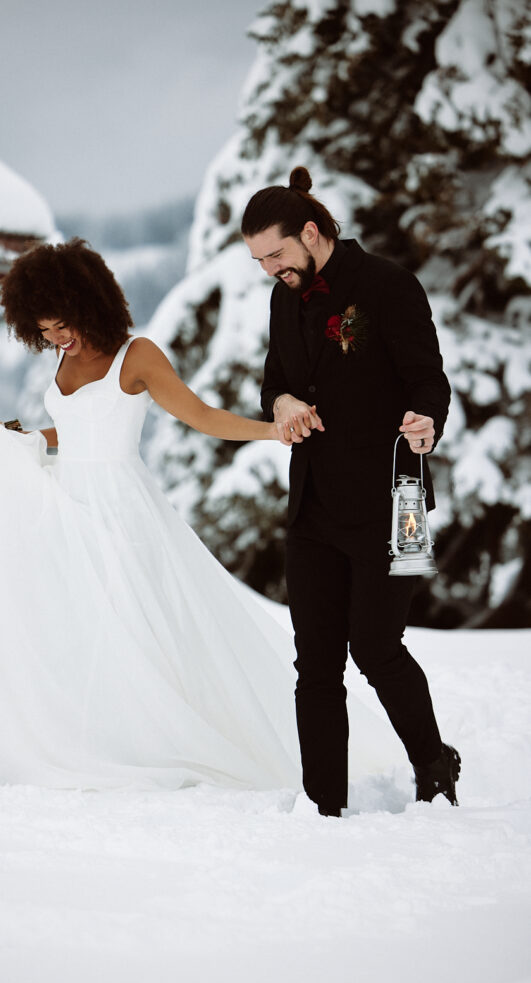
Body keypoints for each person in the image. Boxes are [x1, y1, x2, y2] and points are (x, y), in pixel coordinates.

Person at [0, 237, 389, 792]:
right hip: (66, 505)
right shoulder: (64, 356)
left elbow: (200, 415)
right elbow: (77, 428)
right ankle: (90, 741)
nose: (57, 338)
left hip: (120, 510)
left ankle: (158, 743)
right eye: (45, 330)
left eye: (63, 324)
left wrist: (274, 432)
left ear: (89, 302)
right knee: (76, 629)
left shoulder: (136, 356)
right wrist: (13, 440)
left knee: (136, 630)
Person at [242, 166, 461, 817]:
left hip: (399, 500)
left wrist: (426, 419)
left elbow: (429, 379)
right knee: (315, 663)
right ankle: (323, 807)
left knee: (375, 647)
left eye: (276, 254)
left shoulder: (388, 285)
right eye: (259, 261)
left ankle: (434, 765)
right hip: (311, 502)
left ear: (311, 233)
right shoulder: (283, 299)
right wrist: (281, 402)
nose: (269, 270)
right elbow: (275, 380)